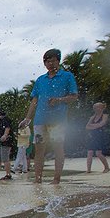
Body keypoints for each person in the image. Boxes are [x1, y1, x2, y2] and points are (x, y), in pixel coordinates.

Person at [19, 48, 79, 184]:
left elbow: (74, 96)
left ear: (58, 61)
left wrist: (59, 100)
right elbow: (34, 100)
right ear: (44, 63)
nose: (50, 64)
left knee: (58, 146)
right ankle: (37, 179)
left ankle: (56, 179)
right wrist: (28, 118)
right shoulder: (40, 80)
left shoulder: (67, 76)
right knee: (39, 149)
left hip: (58, 120)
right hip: (40, 120)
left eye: (53, 61)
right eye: (47, 61)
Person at [85, 102, 110, 173]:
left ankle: (107, 168)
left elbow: (102, 124)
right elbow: (86, 127)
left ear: (102, 108)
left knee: (98, 153)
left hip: (100, 136)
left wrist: (92, 126)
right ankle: (88, 170)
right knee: (89, 153)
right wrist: (96, 126)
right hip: (92, 136)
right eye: (95, 107)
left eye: (98, 107)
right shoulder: (92, 117)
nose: (96, 109)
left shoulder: (105, 115)